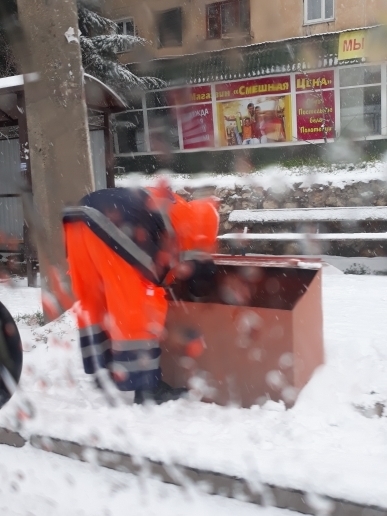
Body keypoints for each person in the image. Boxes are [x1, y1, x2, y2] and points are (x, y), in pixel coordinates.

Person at [62, 185, 219, 405]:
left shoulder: (176, 205)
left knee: (95, 300)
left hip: (77, 217)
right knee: (138, 304)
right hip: (117, 223)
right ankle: (146, 387)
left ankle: (103, 371)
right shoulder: (199, 230)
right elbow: (191, 271)